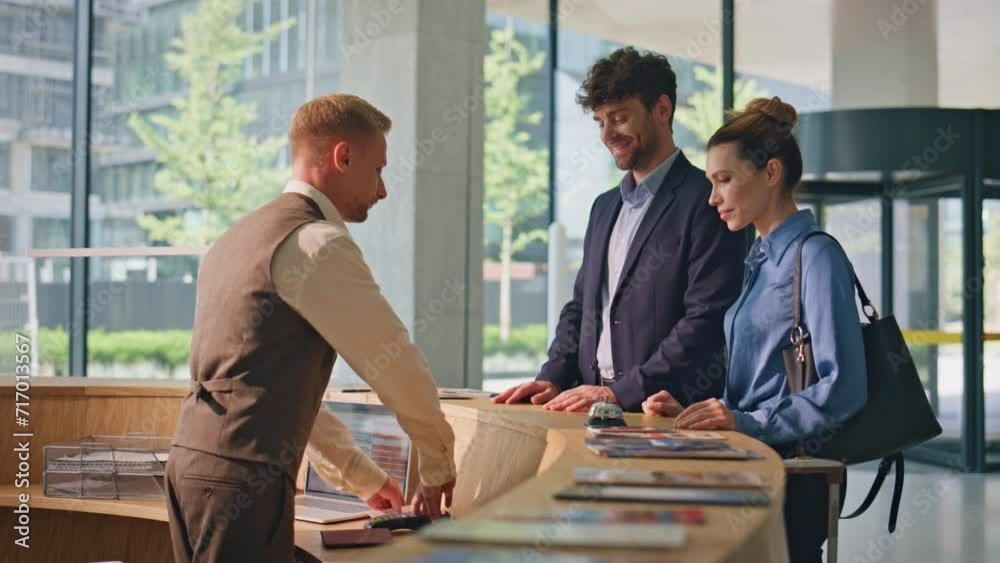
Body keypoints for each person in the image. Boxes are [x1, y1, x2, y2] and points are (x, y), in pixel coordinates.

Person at [166, 94, 457, 563]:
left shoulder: (236, 237)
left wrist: (361, 477)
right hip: (242, 477)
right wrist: (438, 465)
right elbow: (397, 366)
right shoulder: (316, 243)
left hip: (194, 466)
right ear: (344, 157)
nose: (383, 190)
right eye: (378, 170)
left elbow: (272, 391)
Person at [642, 97, 868, 563]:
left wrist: (745, 422)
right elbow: (761, 382)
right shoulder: (759, 261)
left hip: (792, 477)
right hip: (750, 468)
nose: (713, 197)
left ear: (771, 173)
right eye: (711, 182)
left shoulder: (816, 257)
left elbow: (844, 386)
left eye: (724, 180)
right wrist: (699, 414)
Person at [493, 47, 744, 413]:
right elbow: (581, 307)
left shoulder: (708, 202)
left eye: (619, 118)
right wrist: (553, 377)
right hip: (590, 406)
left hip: (665, 413)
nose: (607, 134)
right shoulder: (604, 207)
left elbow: (706, 320)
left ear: (662, 109)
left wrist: (622, 393)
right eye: (600, 122)